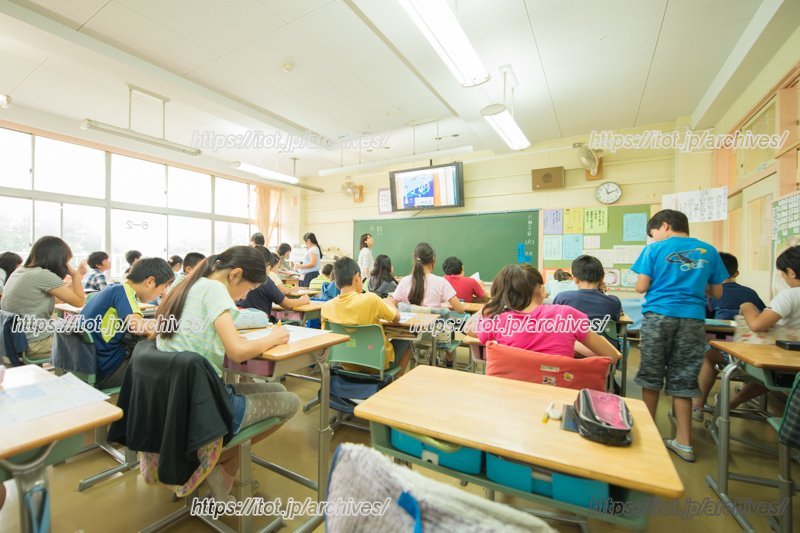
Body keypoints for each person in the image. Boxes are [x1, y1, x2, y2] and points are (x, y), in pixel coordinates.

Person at [156, 246, 299, 497]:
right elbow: (237, 351)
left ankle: (214, 463)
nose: (243, 297)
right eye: (248, 289)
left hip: (173, 399)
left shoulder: (189, 285)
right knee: (291, 401)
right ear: (235, 274)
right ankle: (217, 466)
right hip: (201, 407)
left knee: (276, 387)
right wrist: (274, 337)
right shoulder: (215, 289)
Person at [631, 209, 728, 462]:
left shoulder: (654, 250)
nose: (654, 239)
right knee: (684, 378)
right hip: (693, 319)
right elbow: (717, 292)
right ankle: (684, 442)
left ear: (664, 226)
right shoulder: (709, 251)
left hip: (659, 316)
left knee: (651, 375)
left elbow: (641, 286)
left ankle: (648, 434)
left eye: (654, 234)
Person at [704, 246, 800, 416]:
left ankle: (702, 406)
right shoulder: (749, 291)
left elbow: (757, 324)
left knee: (709, 355)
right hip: (790, 364)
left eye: (783, 274)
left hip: (774, 361)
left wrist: (747, 308)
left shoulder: (790, 295)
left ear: (791, 272)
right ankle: (730, 403)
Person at [469, 264, 620, 363]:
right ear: (540, 288)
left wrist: (492, 303)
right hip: (557, 398)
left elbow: (468, 327)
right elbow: (612, 356)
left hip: (511, 395)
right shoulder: (567, 315)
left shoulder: (497, 320)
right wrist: (572, 343)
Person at [693, 252, 767, 420]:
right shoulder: (751, 293)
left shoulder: (709, 294)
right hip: (753, 355)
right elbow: (763, 317)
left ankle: (697, 406)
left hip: (726, 354)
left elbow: (700, 323)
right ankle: (739, 396)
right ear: (736, 274)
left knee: (707, 355)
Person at [82, 258, 175, 388]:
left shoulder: (112, 288)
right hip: (109, 369)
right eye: (164, 287)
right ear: (150, 281)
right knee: (170, 367)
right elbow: (137, 326)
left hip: (88, 363)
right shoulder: (124, 291)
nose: (163, 293)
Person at [321, 257, 412, 374]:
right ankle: (392, 381)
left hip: (345, 362)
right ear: (356, 277)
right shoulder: (371, 299)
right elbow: (396, 318)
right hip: (376, 363)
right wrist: (390, 303)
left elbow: (326, 341)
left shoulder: (327, 307)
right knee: (407, 341)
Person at [1, 236, 87, 359]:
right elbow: (79, 302)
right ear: (58, 258)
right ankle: (69, 378)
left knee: (67, 327)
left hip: (13, 339)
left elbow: (62, 296)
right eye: (66, 261)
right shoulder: (43, 275)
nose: (67, 265)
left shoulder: (21, 271)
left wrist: (78, 275)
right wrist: (76, 275)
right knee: (90, 341)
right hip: (34, 342)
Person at [553, 255, 622, 348]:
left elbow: (554, 325)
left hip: (571, 353)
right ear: (602, 278)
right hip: (602, 354)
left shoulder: (562, 298)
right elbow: (616, 319)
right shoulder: (613, 301)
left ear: (575, 279)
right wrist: (602, 292)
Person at [386, 243, 465, 313]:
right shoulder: (441, 282)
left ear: (414, 260)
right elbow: (460, 310)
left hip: (409, 328)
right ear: (433, 260)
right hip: (433, 328)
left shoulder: (404, 281)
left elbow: (392, 304)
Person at [236, 247, 310, 316]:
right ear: (266, 264)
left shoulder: (240, 277)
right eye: (270, 266)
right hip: (258, 324)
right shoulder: (265, 280)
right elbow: (288, 304)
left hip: (238, 321)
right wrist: (303, 300)